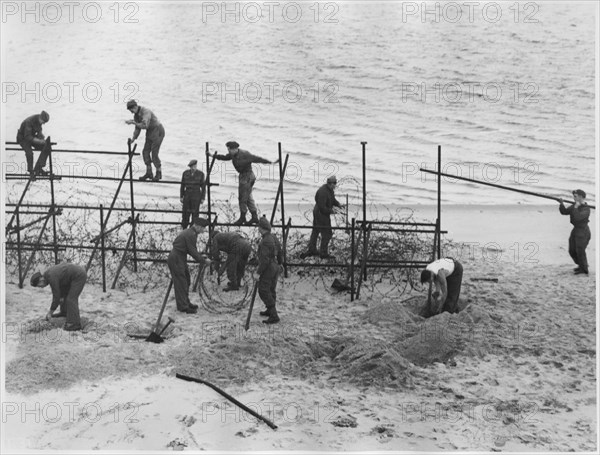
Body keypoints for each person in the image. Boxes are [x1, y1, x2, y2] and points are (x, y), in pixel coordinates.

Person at [213, 141, 276, 226]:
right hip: (243, 176)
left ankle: (243, 217)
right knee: (248, 197)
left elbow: (257, 158)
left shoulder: (245, 154)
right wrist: (213, 156)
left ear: (235, 149)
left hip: (248, 176)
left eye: (229, 149)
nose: (228, 151)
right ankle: (254, 217)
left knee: (242, 198)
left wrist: (271, 162)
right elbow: (225, 157)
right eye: (227, 149)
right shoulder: (232, 154)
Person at [168, 218, 211, 313]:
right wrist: (204, 260)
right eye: (203, 228)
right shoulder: (191, 234)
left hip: (180, 257)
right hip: (176, 258)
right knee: (181, 283)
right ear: (198, 226)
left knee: (186, 280)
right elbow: (192, 251)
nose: (204, 231)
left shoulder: (191, 233)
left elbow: (192, 250)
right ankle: (183, 306)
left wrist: (201, 256)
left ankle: (186, 302)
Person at [30, 262, 87, 331]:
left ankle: (74, 324)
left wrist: (50, 313)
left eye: (39, 286)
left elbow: (56, 297)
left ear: (41, 280)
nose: (41, 288)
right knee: (63, 296)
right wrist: (61, 298)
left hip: (78, 276)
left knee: (71, 299)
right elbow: (59, 294)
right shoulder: (48, 275)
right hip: (70, 278)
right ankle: (64, 312)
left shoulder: (51, 276)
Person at [300, 175, 343, 259]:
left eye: (335, 183)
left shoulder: (330, 190)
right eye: (333, 183)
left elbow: (332, 199)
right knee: (327, 233)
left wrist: (338, 204)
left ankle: (312, 249)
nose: (334, 185)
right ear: (329, 183)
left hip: (320, 212)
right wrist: (331, 211)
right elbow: (322, 207)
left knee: (316, 230)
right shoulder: (323, 192)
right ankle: (323, 253)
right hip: (320, 213)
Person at [126, 100, 165, 181]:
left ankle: (158, 173)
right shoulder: (136, 115)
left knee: (154, 153)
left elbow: (144, 125)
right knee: (145, 152)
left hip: (157, 130)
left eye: (132, 110)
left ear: (135, 107)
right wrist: (133, 138)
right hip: (150, 132)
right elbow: (138, 128)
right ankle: (149, 172)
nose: (132, 112)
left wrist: (133, 122)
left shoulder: (146, 111)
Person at [256, 216, 283, 324]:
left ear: (261, 228)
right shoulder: (273, 237)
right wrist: (280, 263)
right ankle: (269, 310)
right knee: (271, 289)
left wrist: (258, 272)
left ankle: (273, 314)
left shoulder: (265, 241)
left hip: (269, 268)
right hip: (275, 266)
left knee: (263, 290)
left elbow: (264, 260)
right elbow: (280, 251)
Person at [559, 189, 591, 275]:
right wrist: (561, 204)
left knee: (580, 250)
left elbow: (577, 217)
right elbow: (564, 212)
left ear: (581, 197)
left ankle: (584, 269)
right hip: (575, 230)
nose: (574, 198)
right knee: (572, 250)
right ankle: (581, 265)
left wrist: (576, 207)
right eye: (573, 196)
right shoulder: (574, 206)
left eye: (575, 196)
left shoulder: (586, 209)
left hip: (583, 231)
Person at [16, 110, 52, 177]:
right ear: (40, 118)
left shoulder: (39, 120)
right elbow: (28, 137)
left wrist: (41, 136)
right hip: (23, 138)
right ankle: (31, 171)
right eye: (43, 122)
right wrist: (40, 141)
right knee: (29, 153)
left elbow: (39, 130)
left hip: (31, 137)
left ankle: (39, 168)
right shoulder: (29, 121)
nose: (43, 123)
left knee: (46, 147)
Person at [180, 159, 206, 229]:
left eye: (194, 166)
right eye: (191, 166)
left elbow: (203, 187)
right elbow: (182, 185)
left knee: (195, 214)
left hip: (196, 195)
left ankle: (193, 229)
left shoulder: (201, 174)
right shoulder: (185, 173)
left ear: (196, 166)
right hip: (187, 195)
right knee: (185, 213)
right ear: (190, 167)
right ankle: (184, 229)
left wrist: (203, 198)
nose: (193, 168)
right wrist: (181, 196)